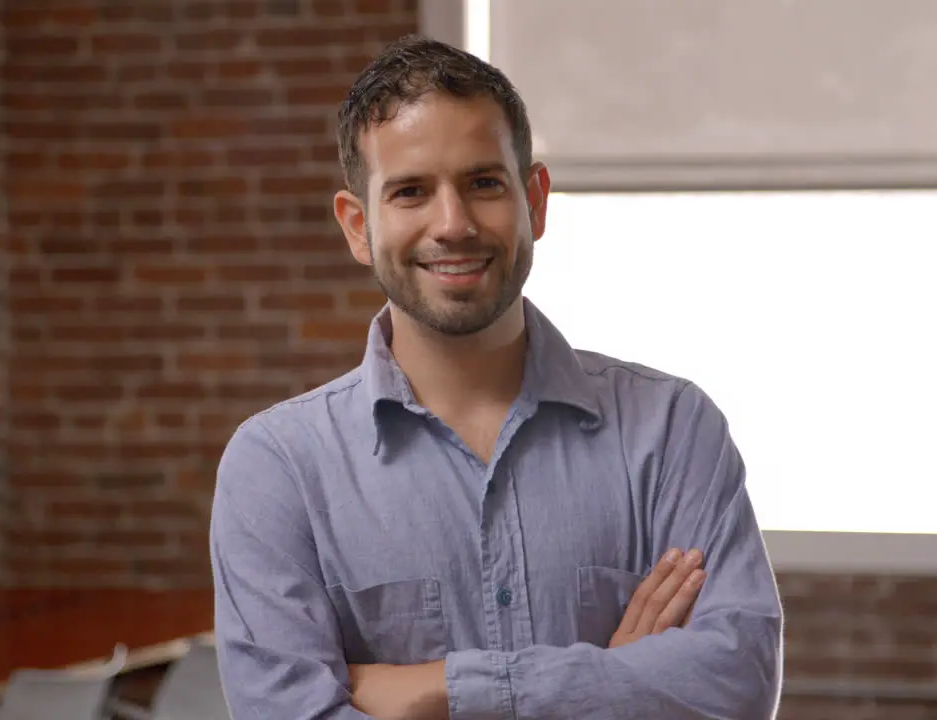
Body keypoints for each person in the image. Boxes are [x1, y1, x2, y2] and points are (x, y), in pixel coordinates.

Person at [209, 34, 784, 720]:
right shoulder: (278, 468)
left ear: (534, 201)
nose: (451, 224)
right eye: (411, 192)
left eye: (483, 183)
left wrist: (443, 689)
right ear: (358, 226)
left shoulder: (673, 430)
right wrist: (614, 679)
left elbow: (738, 687)